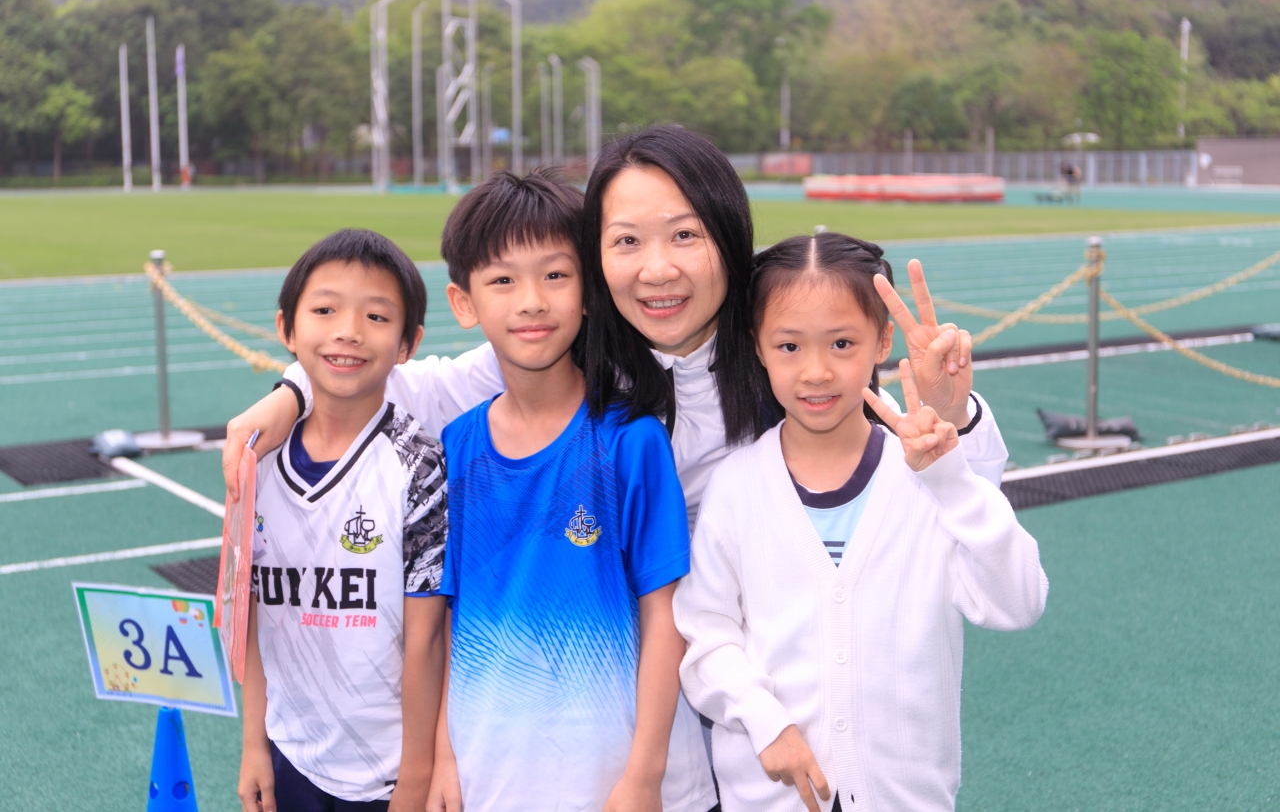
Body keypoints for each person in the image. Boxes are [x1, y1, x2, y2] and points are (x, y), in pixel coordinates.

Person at [223, 127, 1009, 525]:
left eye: (685, 235)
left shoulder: (783, 353)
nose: (656, 270)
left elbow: (968, 502)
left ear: (729, 236)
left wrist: (954, 415)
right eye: (627, 241)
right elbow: (399, 384)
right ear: (597, 257)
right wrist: (290, 394)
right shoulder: (568, 356)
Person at [672, 233, 1048, 812]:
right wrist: (765, 721)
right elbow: (707, 632)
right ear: (757, 346)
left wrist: (950, 474)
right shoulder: (736, 486)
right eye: (789, 346)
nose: (816, 371)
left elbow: (1018, 601)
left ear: (883, 341)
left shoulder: (927, 479)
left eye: (842, 343)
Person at [424, 171, 716, 812]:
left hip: (614, 779)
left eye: (555, 275)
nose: (532, 301)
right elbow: (450, 615)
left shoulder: (630, 440)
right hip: (490, 771)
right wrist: (445, 756)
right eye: (503, 280)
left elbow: (665, 615)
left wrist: (644, 777)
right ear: (463, 302)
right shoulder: (457, 447)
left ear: (588, 292)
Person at [237, 229, 449, 812]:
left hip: (388, 772)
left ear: (408, 343)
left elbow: (429, 637)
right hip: (289, 751)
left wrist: (416, 778)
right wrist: (254, 743)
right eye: (325, 310)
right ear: (286, 329)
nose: (349, 331)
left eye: (376, 316)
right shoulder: (256, 460)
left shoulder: (419, 465)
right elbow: (250, 613)